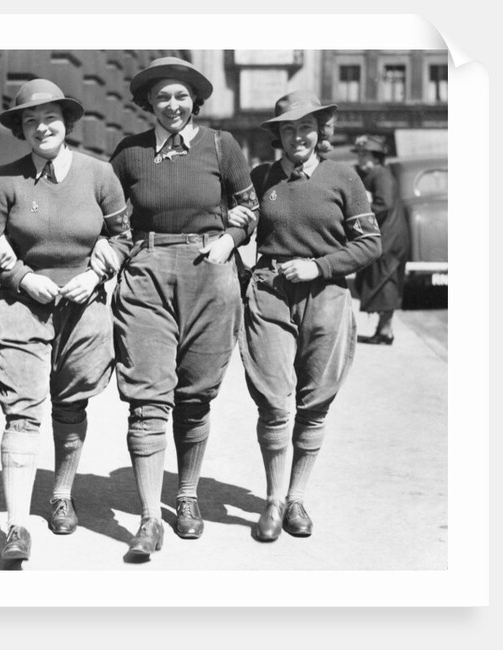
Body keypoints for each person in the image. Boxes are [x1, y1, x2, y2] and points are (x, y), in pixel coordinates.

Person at [99, 57, 260, 560]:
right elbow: (106, 213)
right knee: (147, 397)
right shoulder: (128, 152)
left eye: (182, 96)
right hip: (146, 270)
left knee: (195, 396)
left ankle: (186, 497)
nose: (173, 105)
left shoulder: (221, 146)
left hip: (208, 269)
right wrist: (110, 251)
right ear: (149, 102)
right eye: (163, 97)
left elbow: (250, 207)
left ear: (195, 100)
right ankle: (149, 518)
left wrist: (230, 240)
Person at [0, 79, 130, 563]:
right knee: (21, 409)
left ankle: (61, 494)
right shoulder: (5, 181)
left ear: (67, 123)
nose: (42, 127)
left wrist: (98, 272)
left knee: (70, 403)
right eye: (30, 120)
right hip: (24, 308)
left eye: (50, 118)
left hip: (83, 308)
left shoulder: (99, 175)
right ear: (21, 129)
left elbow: (125, 236)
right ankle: (17, 528)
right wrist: (22, 278)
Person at [233, 91, 381, 542]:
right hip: (271, 296)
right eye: (289, 129)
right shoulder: (262, 177)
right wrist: (243, 271)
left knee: (314, 403)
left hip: (327, 296)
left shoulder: (344, 177)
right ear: (278, 135)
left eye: (306, 128)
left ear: (321, 133)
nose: (298, 136)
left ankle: (297, 497)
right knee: (274, 402)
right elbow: (238, 226)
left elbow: (370, 243)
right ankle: (274, 500)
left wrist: (320, 266)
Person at [351, 135, 410, 345]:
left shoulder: (380, 175)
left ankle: (386, 330)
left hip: (390, 239)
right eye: (359, 153)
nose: (360, 158)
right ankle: (383, 329)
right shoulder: (372, 174)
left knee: (386, 284)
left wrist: (357, 217)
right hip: (384, 237)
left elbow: (382, 205)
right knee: (380, 282)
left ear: (377, 157)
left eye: (365, 154)